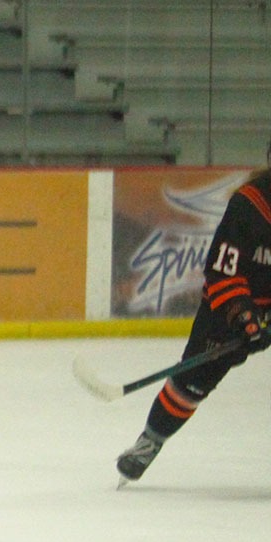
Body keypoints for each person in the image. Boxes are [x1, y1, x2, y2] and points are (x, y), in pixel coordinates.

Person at [114, 140, 271, 484]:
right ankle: (149, 442)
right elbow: (222, 272)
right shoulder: (249, 206)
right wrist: (245, 319)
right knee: (192, 383)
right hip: (232, 307)